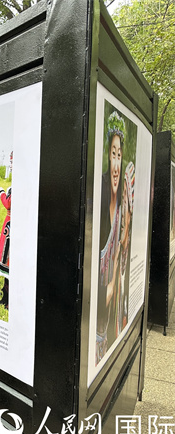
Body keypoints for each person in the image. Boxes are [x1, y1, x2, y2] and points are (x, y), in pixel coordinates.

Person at [96, 110, 128, 364]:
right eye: (112, 154)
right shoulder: (101, 189)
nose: (116, 164)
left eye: (119, 155)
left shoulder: (123, 195)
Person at [0, 187, 11, 309]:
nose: (11, 166)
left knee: (10, 262)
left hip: (13, 225)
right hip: (9, 225)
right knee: (5, 261)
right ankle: (5, 295)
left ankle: (10, 300)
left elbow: (7, 203)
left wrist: (1, 192)